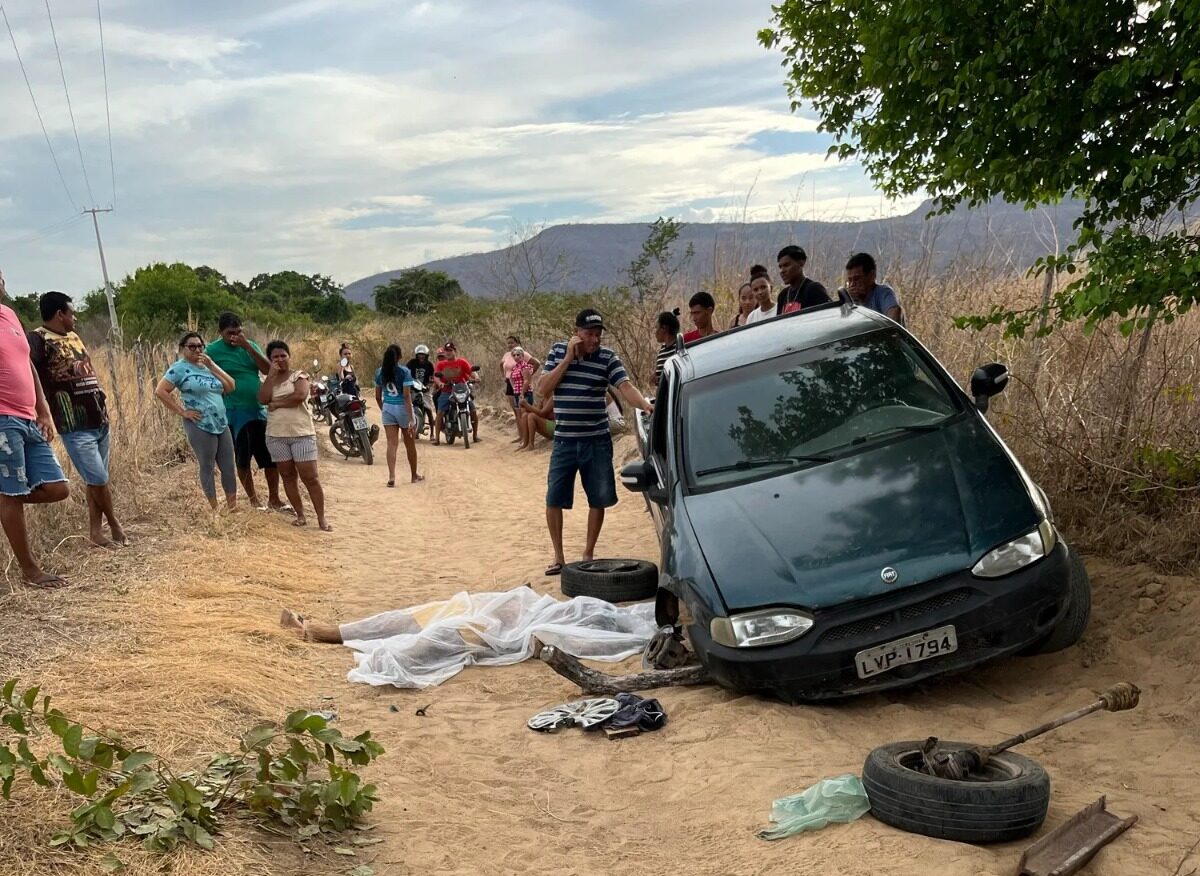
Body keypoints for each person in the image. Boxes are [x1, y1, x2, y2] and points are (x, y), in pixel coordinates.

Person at [539, 308, 653, 576]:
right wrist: (567, 359)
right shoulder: (557, 352)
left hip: (597, 440)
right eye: (589, 334)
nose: (594, 339)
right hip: (565, 440)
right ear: (576, 333)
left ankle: (588, 553)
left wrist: (646, 406)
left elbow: (625, 387)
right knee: (554, 498)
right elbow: (542, 389)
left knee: (598, 498)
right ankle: (558, 556)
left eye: (598, 334)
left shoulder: (607, 358)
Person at [29, 291, 127, 547]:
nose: (75, 317)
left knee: (95, 480)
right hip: (73, 423)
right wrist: (41, 411)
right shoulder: (38, 340)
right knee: (99, 479)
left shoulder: (73, 336)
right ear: (60, 314)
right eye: (72, 312)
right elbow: (29, 373)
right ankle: (115, 525)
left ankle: (95, 532)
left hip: (99, 419)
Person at [0, 269, 70, 587]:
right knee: (10, 494)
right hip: (2, 420)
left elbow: (27, 363)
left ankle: (7, 500)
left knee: (58, 488)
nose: (1, 281)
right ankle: (30, 571)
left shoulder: (9, 315)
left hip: (28, 417)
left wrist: (43, 410)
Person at [205, 312, 287, 511]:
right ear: (220, 333)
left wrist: (247, 346)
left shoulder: (249, 345)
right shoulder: (212, 350)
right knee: (243, 458)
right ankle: (253, 499)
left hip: (257, 409)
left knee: (270, 458)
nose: (234, 336)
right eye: (230, 333)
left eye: (238, 332)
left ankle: (274, 498)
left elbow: (268, 370)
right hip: (234, 411)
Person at [155, 332, 238, 511]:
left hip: (221, 422)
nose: (197, 349)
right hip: (200, 423)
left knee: (228, 466)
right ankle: (214, 508)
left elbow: (231, 386)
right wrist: (182, 412)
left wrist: (212, 365)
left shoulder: (208, 367)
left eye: (200, 346)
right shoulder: (179, 368)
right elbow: (161, 391)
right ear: (183, 349)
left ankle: (232, 507)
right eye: (192, 346)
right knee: (207, 465)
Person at [258, 340, 331, 530]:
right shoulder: (268, 379)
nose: (280, 360)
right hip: (276, 435)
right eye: (275, 357)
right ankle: (300, 515)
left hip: (301, 433)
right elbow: (263, 399)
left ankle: (321, 518)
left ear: (289, 357)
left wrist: (277, 404)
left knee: (310, 477)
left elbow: (299, 396)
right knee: (288, 475)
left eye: (283, 355)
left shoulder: (299, 376)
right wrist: (270, 377)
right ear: (270, 360)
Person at [374, 344, 423, 488]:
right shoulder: (404, 371)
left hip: (388, 407)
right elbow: (407, 396)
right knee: (410, 444)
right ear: (399, 357)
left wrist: (384, 409)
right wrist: (411, 419)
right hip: (402, 408)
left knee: (391, 444)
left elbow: (377, 396)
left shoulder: (379, 372)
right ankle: (414, 475)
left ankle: (392, 476)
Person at [433, 341, 479, 445]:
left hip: (462, 389)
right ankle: (437, 439)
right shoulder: (441, 364)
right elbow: (436, 376)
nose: (448, 353)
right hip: (447, 391)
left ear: (455, 351)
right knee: (440, 413)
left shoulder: (462, 362)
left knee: (473, 411)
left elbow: (471, 371)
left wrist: (476, 377)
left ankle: (475, 436)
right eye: (446, 351)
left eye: (450, 350)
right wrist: (440, 383)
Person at [842, 252, 904, 324]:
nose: (852, 284)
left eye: (857, 279)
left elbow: (894, 312)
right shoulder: (850, 304)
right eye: (850, 280)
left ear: (872, 276)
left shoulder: (882, 293)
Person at [775, 245, 831, 315]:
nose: (782, 271)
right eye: (780, 267)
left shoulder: (814, 289)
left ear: (801, 263)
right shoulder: (783, 295)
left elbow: (828, 316)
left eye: (786, 265)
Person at [406, 344, 436, 441]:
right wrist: (408, 386)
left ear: (426, 355)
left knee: (428, 409)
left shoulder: (429, 365)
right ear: (416, 355)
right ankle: (407, 429)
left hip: (424, 389)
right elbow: (406, 374)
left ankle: (432, 433)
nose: (421, 356)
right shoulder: (411, 363)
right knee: (407, 406)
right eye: (419, 354)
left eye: (423, 354)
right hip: (412, 388)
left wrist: (428, 386)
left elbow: (431, 378)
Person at [654, 309, 681, 381]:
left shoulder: (679, 349)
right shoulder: (662, 349)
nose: (656, 332)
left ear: (664, 328)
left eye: (657, 327)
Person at [501, 335, 520, 414]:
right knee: (515, 410)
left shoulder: (521, 354)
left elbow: (535, 363)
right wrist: (504, 376)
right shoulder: (506, 355)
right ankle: (519, 426)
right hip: (509, 383)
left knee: (521, 409)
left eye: (512, 343)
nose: (510, 345)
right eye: (508, 343)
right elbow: (500, 364)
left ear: (517, 343)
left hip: (520, 383)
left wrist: (528, 376)